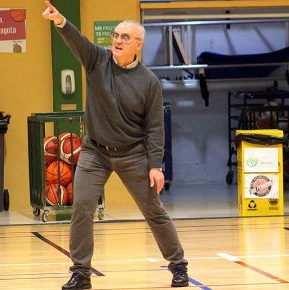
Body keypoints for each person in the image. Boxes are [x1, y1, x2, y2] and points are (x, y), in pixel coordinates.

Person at [42, 2, 189, 290]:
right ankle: (81, 273)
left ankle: (179, 266)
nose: (117, 41)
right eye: (116, 36)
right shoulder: (97, 60)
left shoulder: (149, 83)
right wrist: (60, 21)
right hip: (95, 152)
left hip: (133, 154)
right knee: (82, 207)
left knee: (153, 210)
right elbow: (78, 41)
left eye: (125, 37)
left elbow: (155, 129)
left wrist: (156, 165)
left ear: (139, 45)